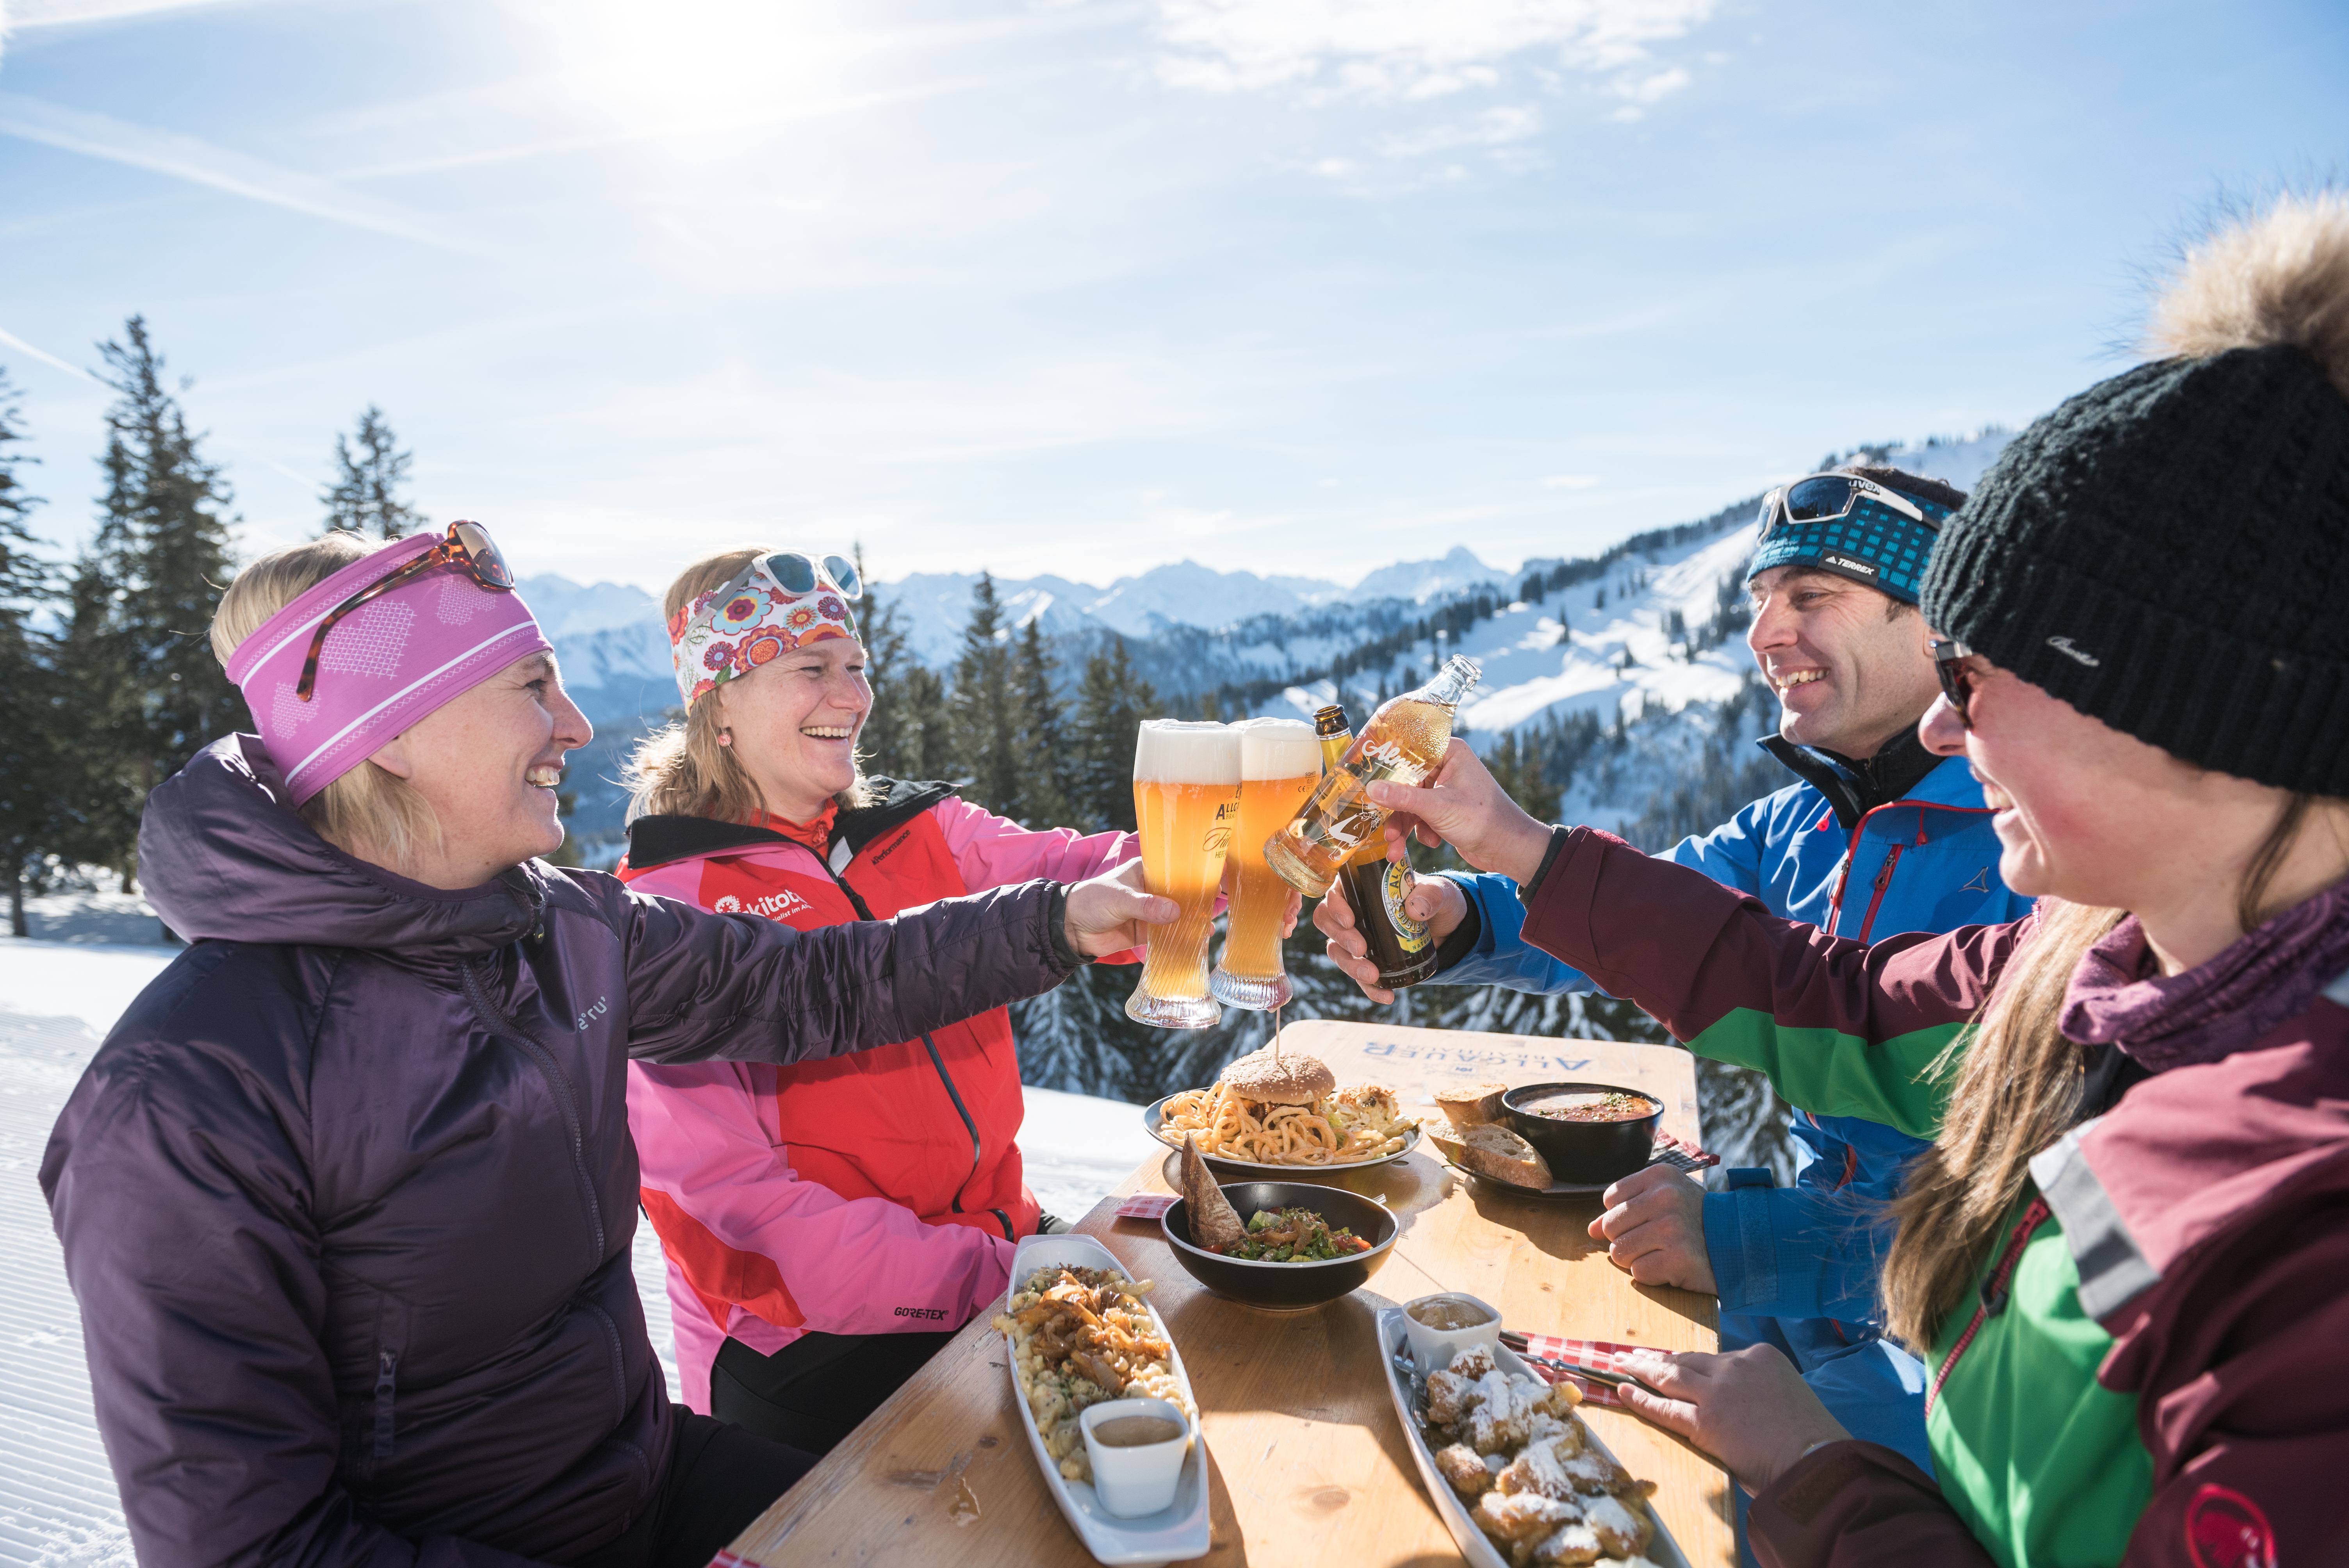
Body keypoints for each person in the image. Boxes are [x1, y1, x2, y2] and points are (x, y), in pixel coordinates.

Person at [1348, 194, 2349, 1563]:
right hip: (1871, 1406)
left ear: (2181, 703)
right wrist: (1481, 884)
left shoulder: (2280, 1190)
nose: (1947, 724)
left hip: (1863, 1388)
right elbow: (1778, 979)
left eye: (1978, 679)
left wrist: (1806, 1410)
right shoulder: (2084, 960)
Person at [39, 527, 1169, 1568]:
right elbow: (253, 1549)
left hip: (646, 1483)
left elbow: (816, 984)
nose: (577, 725)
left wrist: (1059, 920)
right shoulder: (189, 1095)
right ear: (391, 742)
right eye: (534, 687)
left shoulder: (564, 929)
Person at [1321, 465, 2027, 1504]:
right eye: (1759, 603)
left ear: (1937, 616)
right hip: (1808, 1300)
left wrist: (1746, 1236)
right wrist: (1461, 914)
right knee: (1492, 1395)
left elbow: (2019, 1223)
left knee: (1644, 1501)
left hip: (1951, 1360)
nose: (1765, 635)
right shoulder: (1802, 822)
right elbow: (1652, 920)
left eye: (1811, 596)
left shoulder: (2037, 848)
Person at [615, 546, 1142, 1451]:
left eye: (855, 666)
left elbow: (1087, 871)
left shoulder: (916, 830)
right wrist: (995, 1272)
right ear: (721, 704)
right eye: (810, 669)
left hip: (997, 1246)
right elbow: (734, 1219)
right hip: (807, 1340)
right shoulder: (669, 911)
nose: (852, 696)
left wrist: (1242, 849)